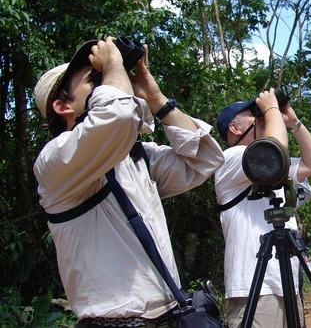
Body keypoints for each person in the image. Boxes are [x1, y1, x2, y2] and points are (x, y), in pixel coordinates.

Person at [32, 37, 225, 328]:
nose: (109, 78)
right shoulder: (55, 163)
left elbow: (204, 161)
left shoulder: (135, 157)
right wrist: (112, 65)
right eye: (94, 79)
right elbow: (118, 116)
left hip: (170, 316)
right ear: (62, 105)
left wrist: (156, 99)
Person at [214, 92, 311, 327]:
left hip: (286, 284)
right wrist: (271, 109)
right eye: (253, 114)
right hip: (254, 287)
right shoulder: (229, 159)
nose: (261, 117)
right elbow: (275, 148)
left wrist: (294, 123)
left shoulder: (269, 163)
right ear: (235, 129)